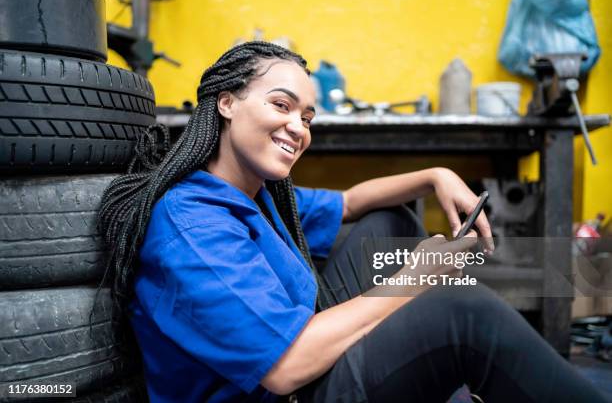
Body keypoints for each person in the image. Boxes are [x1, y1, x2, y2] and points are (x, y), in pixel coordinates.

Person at [97, 41, 607, 403]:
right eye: (281, 106)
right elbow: (283, 370)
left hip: (300, 357)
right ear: (226, 103)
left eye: (308, 117)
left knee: (387, 220)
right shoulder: (192, 225)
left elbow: (353, 202)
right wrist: (415, 280)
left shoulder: (257, 194)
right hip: (285, 387)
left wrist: (437, 174)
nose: (297, 128)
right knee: (462, 311)